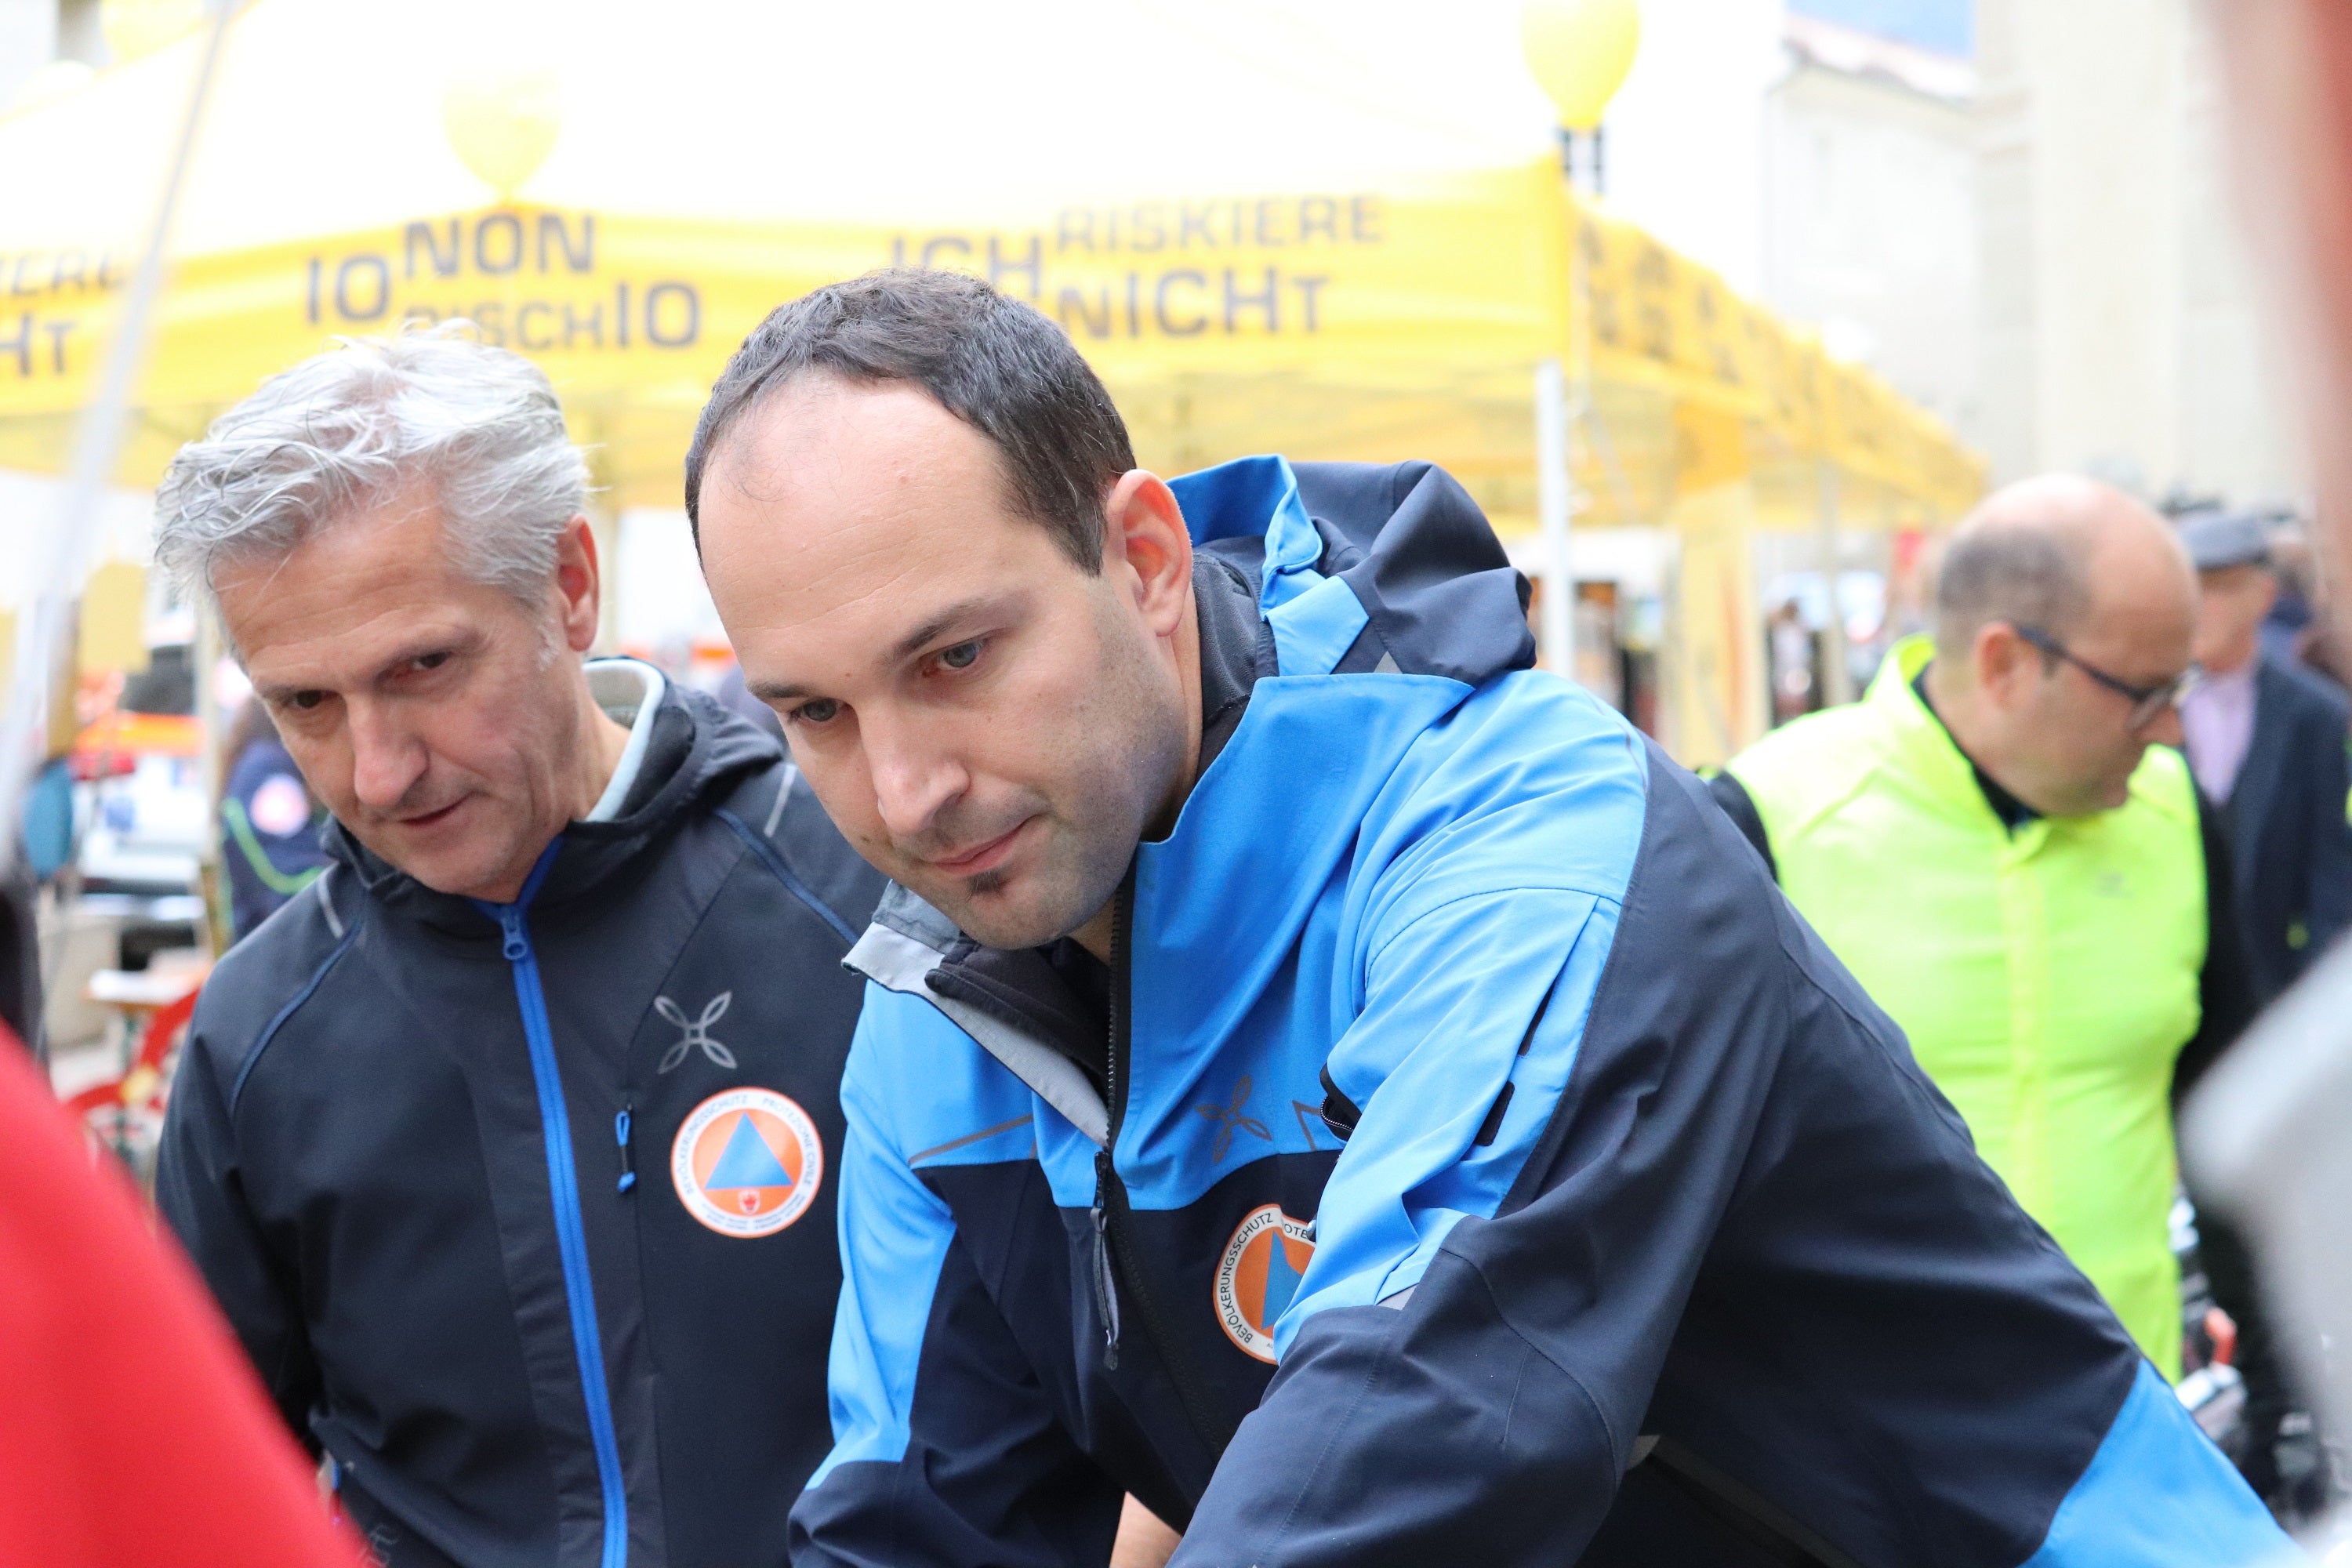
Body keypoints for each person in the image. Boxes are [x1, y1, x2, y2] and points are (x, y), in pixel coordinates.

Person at [688, 270, 2283, 1568]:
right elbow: (918, 1523)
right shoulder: (937, 1012)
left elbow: (1423, 1406)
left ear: (1150, 560)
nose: (903, 790)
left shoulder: (1531, 831)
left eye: (954, 656)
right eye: (815, 712)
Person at [150, 325, 883, 1568]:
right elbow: (191, 1495)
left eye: (425, 666)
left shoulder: (861, 903)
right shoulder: (254, 1040)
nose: (376, 770)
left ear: (569, 582)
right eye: (305, 707)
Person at [1713, 479, 2253, 1375]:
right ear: (2005, 662)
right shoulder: (1766, 816)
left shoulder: (2180, 818)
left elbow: (2232, 1126)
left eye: (2184, 685)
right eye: (2147, 691)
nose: (2171, 729)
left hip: (2127, 1422)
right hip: (1861, 1446)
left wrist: (2274, 1386)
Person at [2180, 508, 2352, 1002]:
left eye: (2219, 588)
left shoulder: (2315, 713)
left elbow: (2330, 876)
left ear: (2264, 596)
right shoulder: (2140, 702)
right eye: (2190, 589)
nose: (2200, 607)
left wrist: (2311, 1002)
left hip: (2266, 996)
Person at [218, 696, 329, 942]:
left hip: (259, 931)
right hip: (277, 939)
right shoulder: (269, 771)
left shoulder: (252, 767)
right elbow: (290, 872)